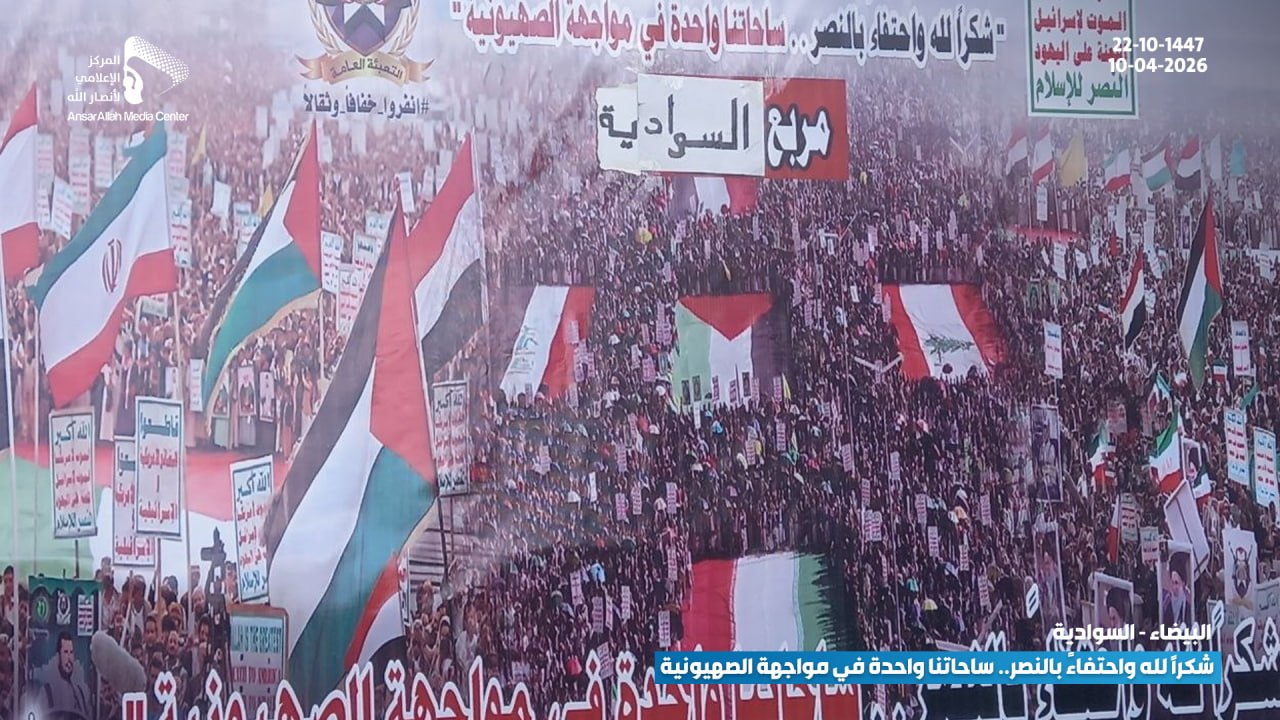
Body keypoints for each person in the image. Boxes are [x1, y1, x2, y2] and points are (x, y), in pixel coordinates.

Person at [41, 632, 93, 720]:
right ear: (58, 656)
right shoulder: (46, 693)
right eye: (65, 652)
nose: (69, 658)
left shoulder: (81, 694)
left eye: (71, 652)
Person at [1160, 552, 1192, 629]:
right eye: (1173, 583)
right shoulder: (1168, 605)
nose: (1174, 587)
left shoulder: (1187, 607)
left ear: (1183, 583)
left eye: (1177, 583)